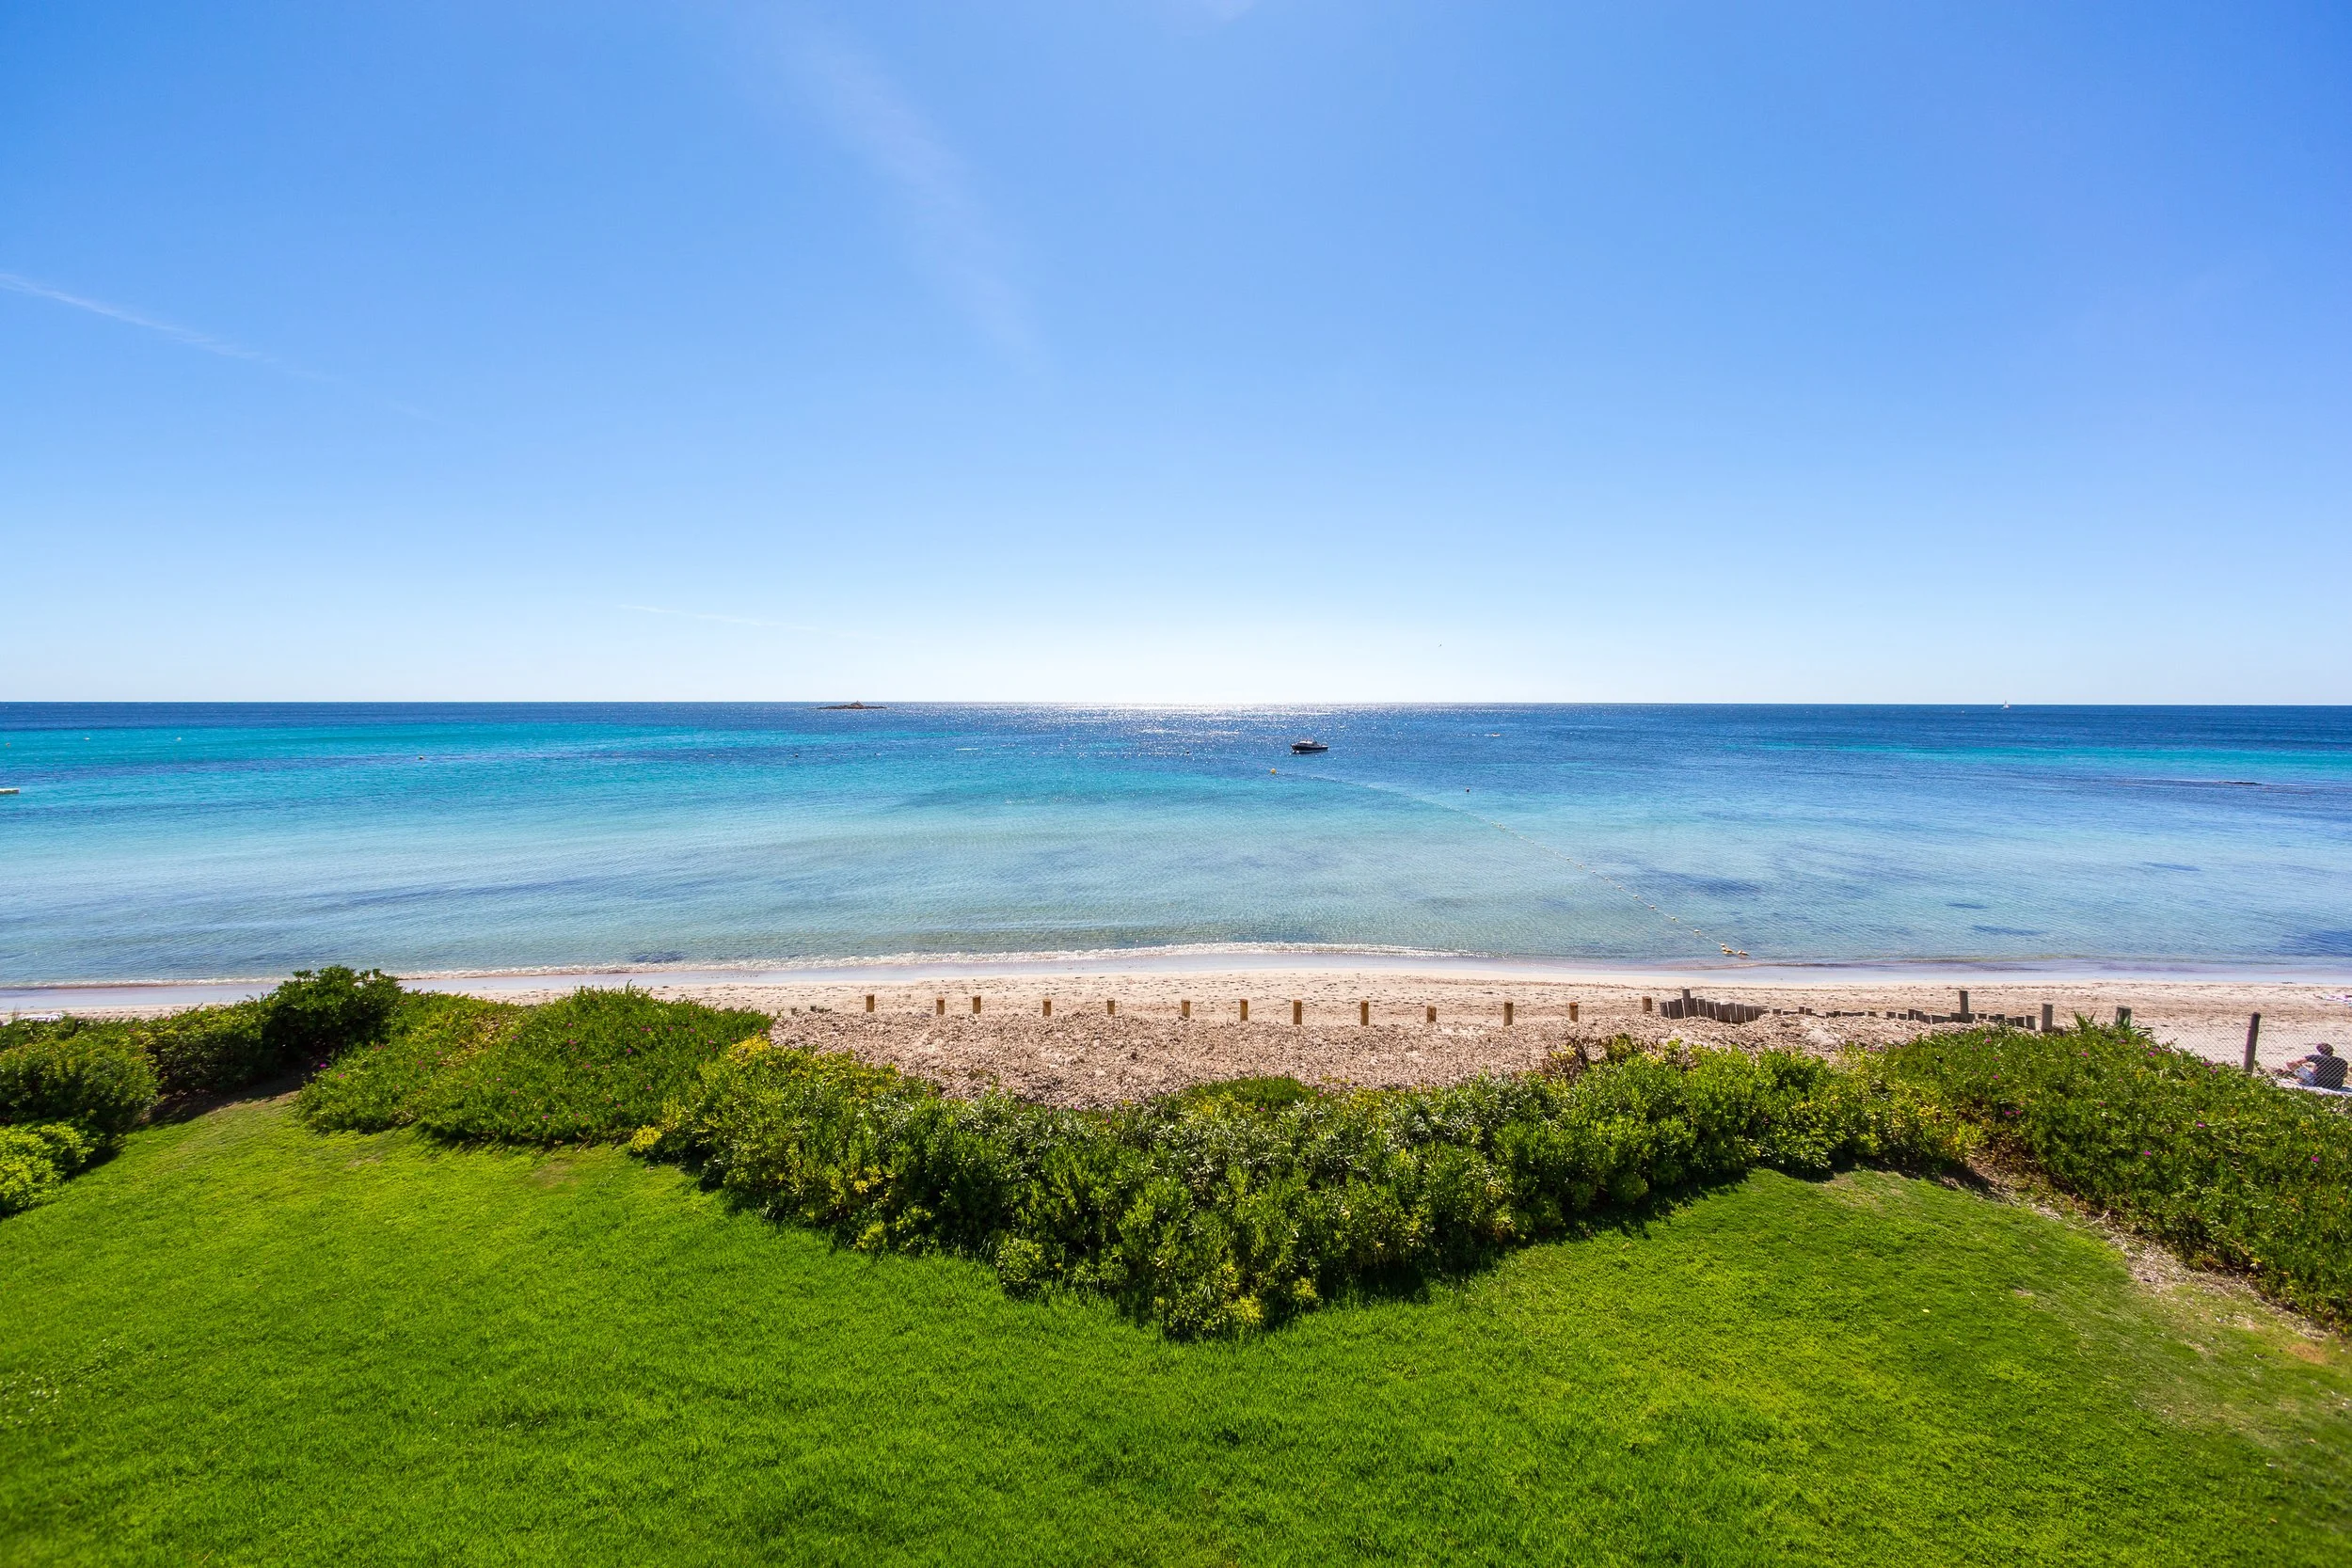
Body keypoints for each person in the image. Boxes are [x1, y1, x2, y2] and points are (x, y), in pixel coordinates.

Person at [2275, 1042, 2347, 1091]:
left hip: (2319, 1083)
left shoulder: (2316, 1057)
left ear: (2320, 1051)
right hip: (2337, 1085)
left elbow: (2296, 1062)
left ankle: (2300, 1078)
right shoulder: (2342, 1061)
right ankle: (2300, 1078)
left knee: (2290, 1063)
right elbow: (2345, 1075)